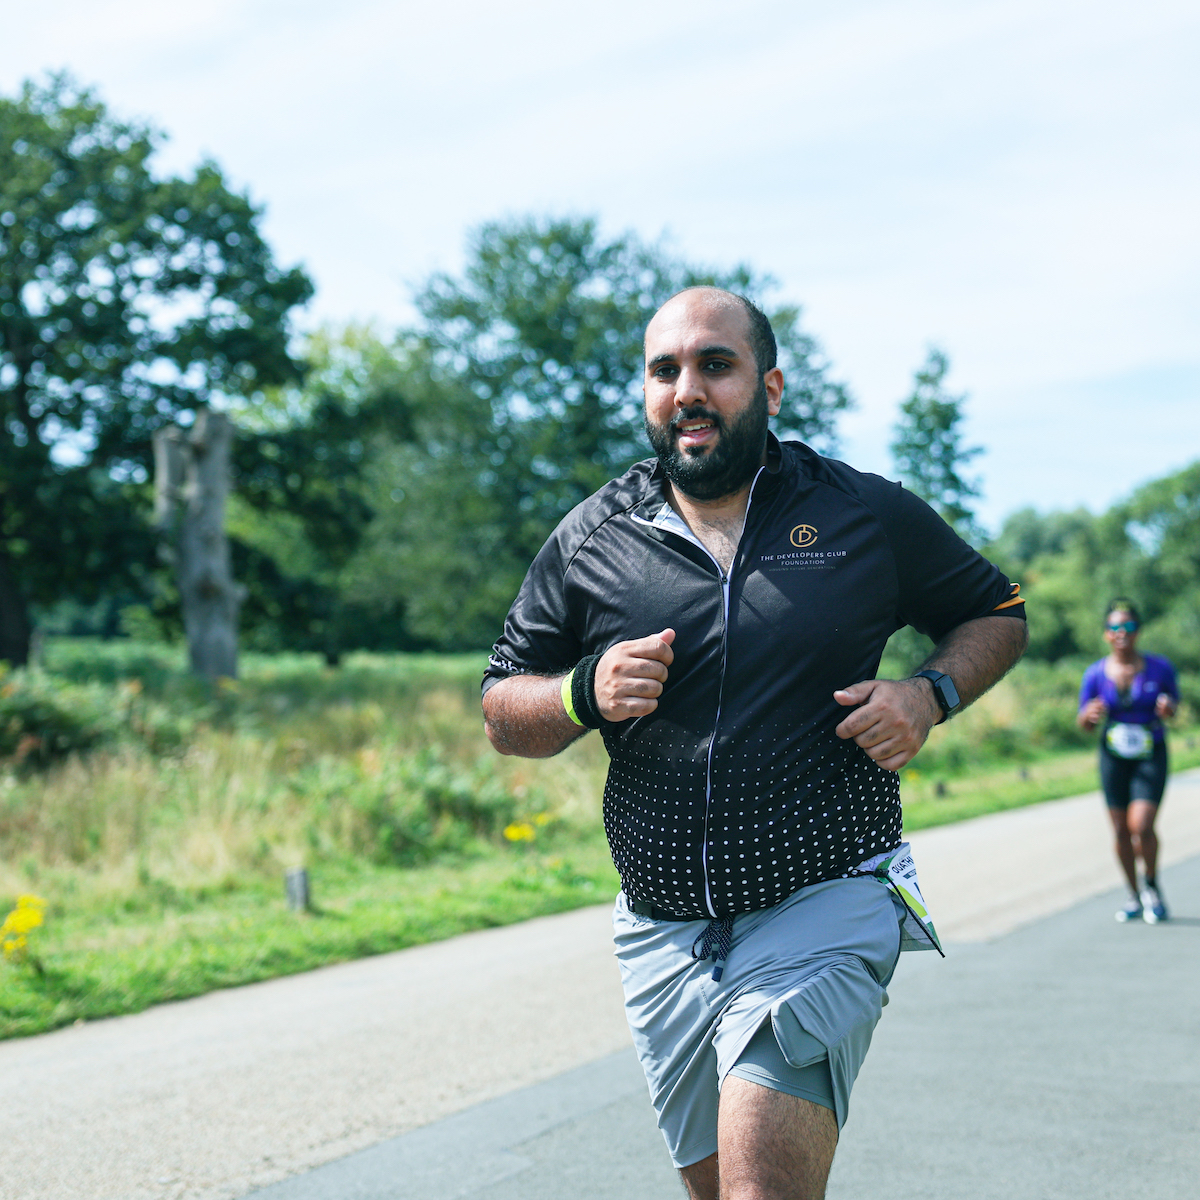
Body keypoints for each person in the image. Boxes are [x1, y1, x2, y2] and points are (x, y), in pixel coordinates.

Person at [481, 287, 1028, 1200]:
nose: (688, 388)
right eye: (666, 371)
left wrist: (928, 695)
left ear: (769, 386)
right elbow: (502, 708)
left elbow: (997, 611)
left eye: (715, 365)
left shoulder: (861, 515)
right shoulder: (593, 537)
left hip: (824, 899)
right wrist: (584, 690)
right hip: (663, 934)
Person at [1077, 600, 1177, 924]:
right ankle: (1133, 894)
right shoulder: (1094, 673)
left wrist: (1167, 709)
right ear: (1107, 634)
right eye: (1116, 628)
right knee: (1120, 830)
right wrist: (1089, 716)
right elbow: (1084, 722)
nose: (1123, 633)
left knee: (1142, 826)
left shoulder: (1160, 668)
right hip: (1113, 757)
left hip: (1151, 753)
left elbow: (1174, 705)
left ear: (1138, 631)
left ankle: (1151, 885)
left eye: (1129, 627)